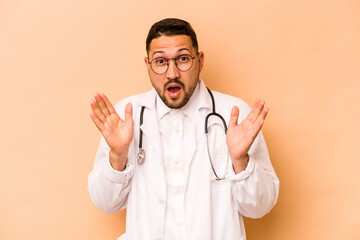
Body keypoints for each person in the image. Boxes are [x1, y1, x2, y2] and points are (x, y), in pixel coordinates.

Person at [88, 18, 279, 240]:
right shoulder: (125, 116)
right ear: (148, 65)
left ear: (200, 61)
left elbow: (260, 207)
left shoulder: (234, 116)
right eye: (160, 61)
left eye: (183, 59)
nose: (172, 73)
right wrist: (117, 156)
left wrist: (240, 162)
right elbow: (105, 203)